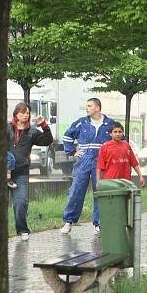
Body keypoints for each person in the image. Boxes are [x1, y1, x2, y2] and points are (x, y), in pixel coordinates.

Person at [59, 98, 114, 235]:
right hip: (83, 162)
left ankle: (99, 223)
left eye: (89, 106)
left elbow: (119, 141)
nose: (87, 108)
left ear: (97, 108)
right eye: (86, 106)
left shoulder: (110, 124)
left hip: (101, 163)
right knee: (76, 191)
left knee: (100, 192)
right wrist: (72, 151)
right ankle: (68, 221)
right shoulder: (81, 123)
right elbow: (67, 137)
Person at [7, 102, 54, 240]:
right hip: (2, 172)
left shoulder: (32, 131)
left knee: (21, 202)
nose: (26, 115)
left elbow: (47, 140)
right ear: (16, 114)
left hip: (21, 173)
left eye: (28, 113)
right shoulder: (6, 128)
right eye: (23, 112)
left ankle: (22, 230)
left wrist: (44, 126)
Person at [96, 122, 146, 187]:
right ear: (110, 134)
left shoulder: (126, 145)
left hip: (126, 182)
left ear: (123, 133)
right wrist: (98, 182)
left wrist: (141, 176)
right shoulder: (104, 147)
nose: (117, 134)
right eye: (115, 132)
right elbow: (99, 167)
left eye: (120, 132)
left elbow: (134, 163)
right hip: (110, 182)